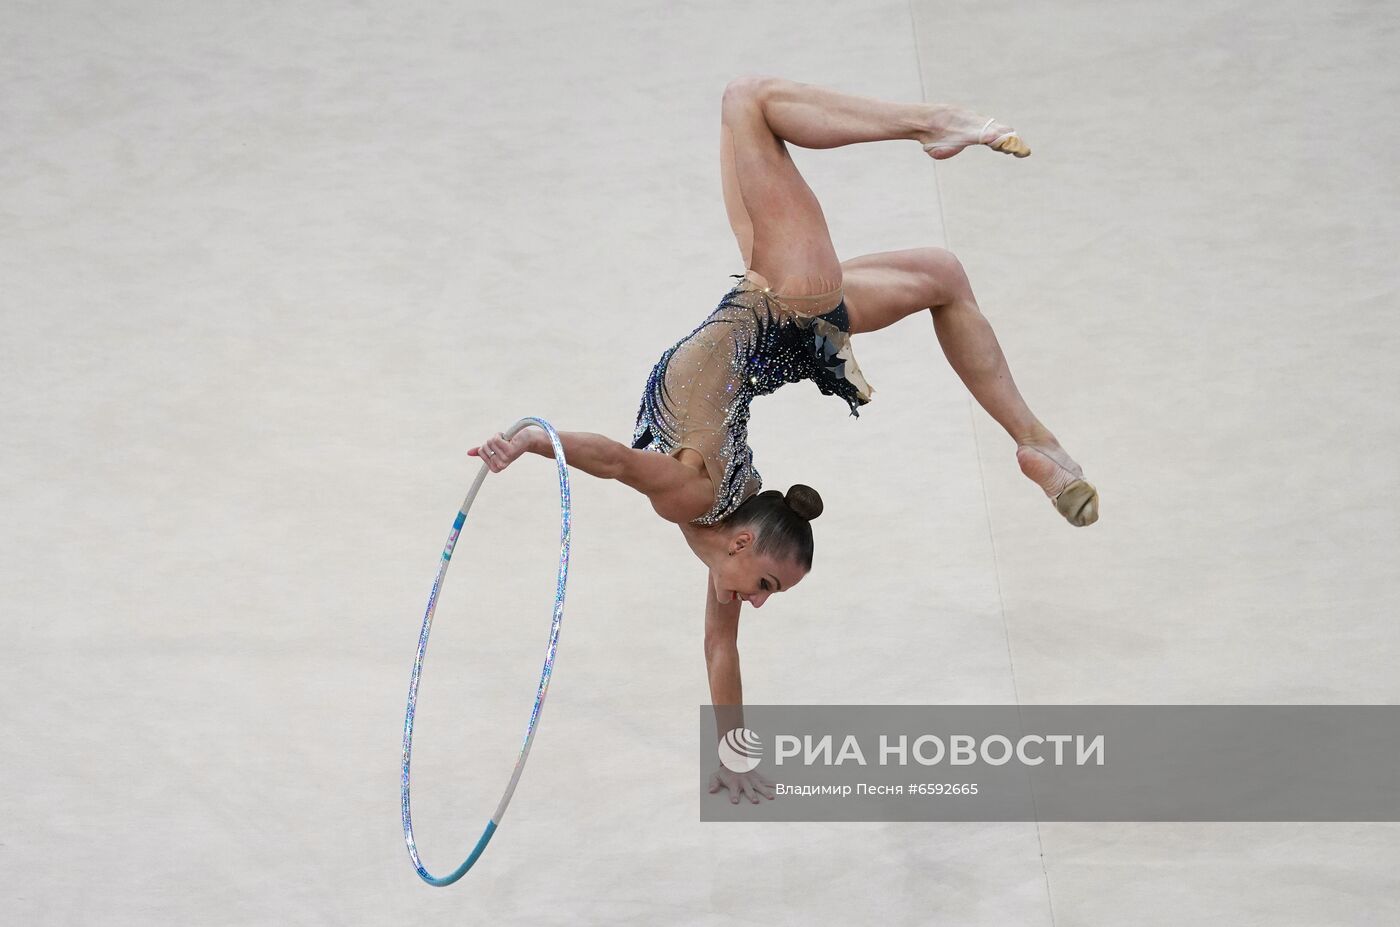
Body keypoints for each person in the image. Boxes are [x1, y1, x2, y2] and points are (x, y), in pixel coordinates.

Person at [469, 76, 1098, 804]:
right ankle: (1036, 441)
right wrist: (734, 755)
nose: (757, 603)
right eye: (771, 588)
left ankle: (935, 124)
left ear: (743, 546)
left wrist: (530, 442)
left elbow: (613, 463)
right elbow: (721, 644)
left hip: (780, 299)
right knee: (747, 103)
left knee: (921, 255)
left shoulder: (692, 498)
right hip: (784, 303)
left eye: (764, 587)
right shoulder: (718, 536)